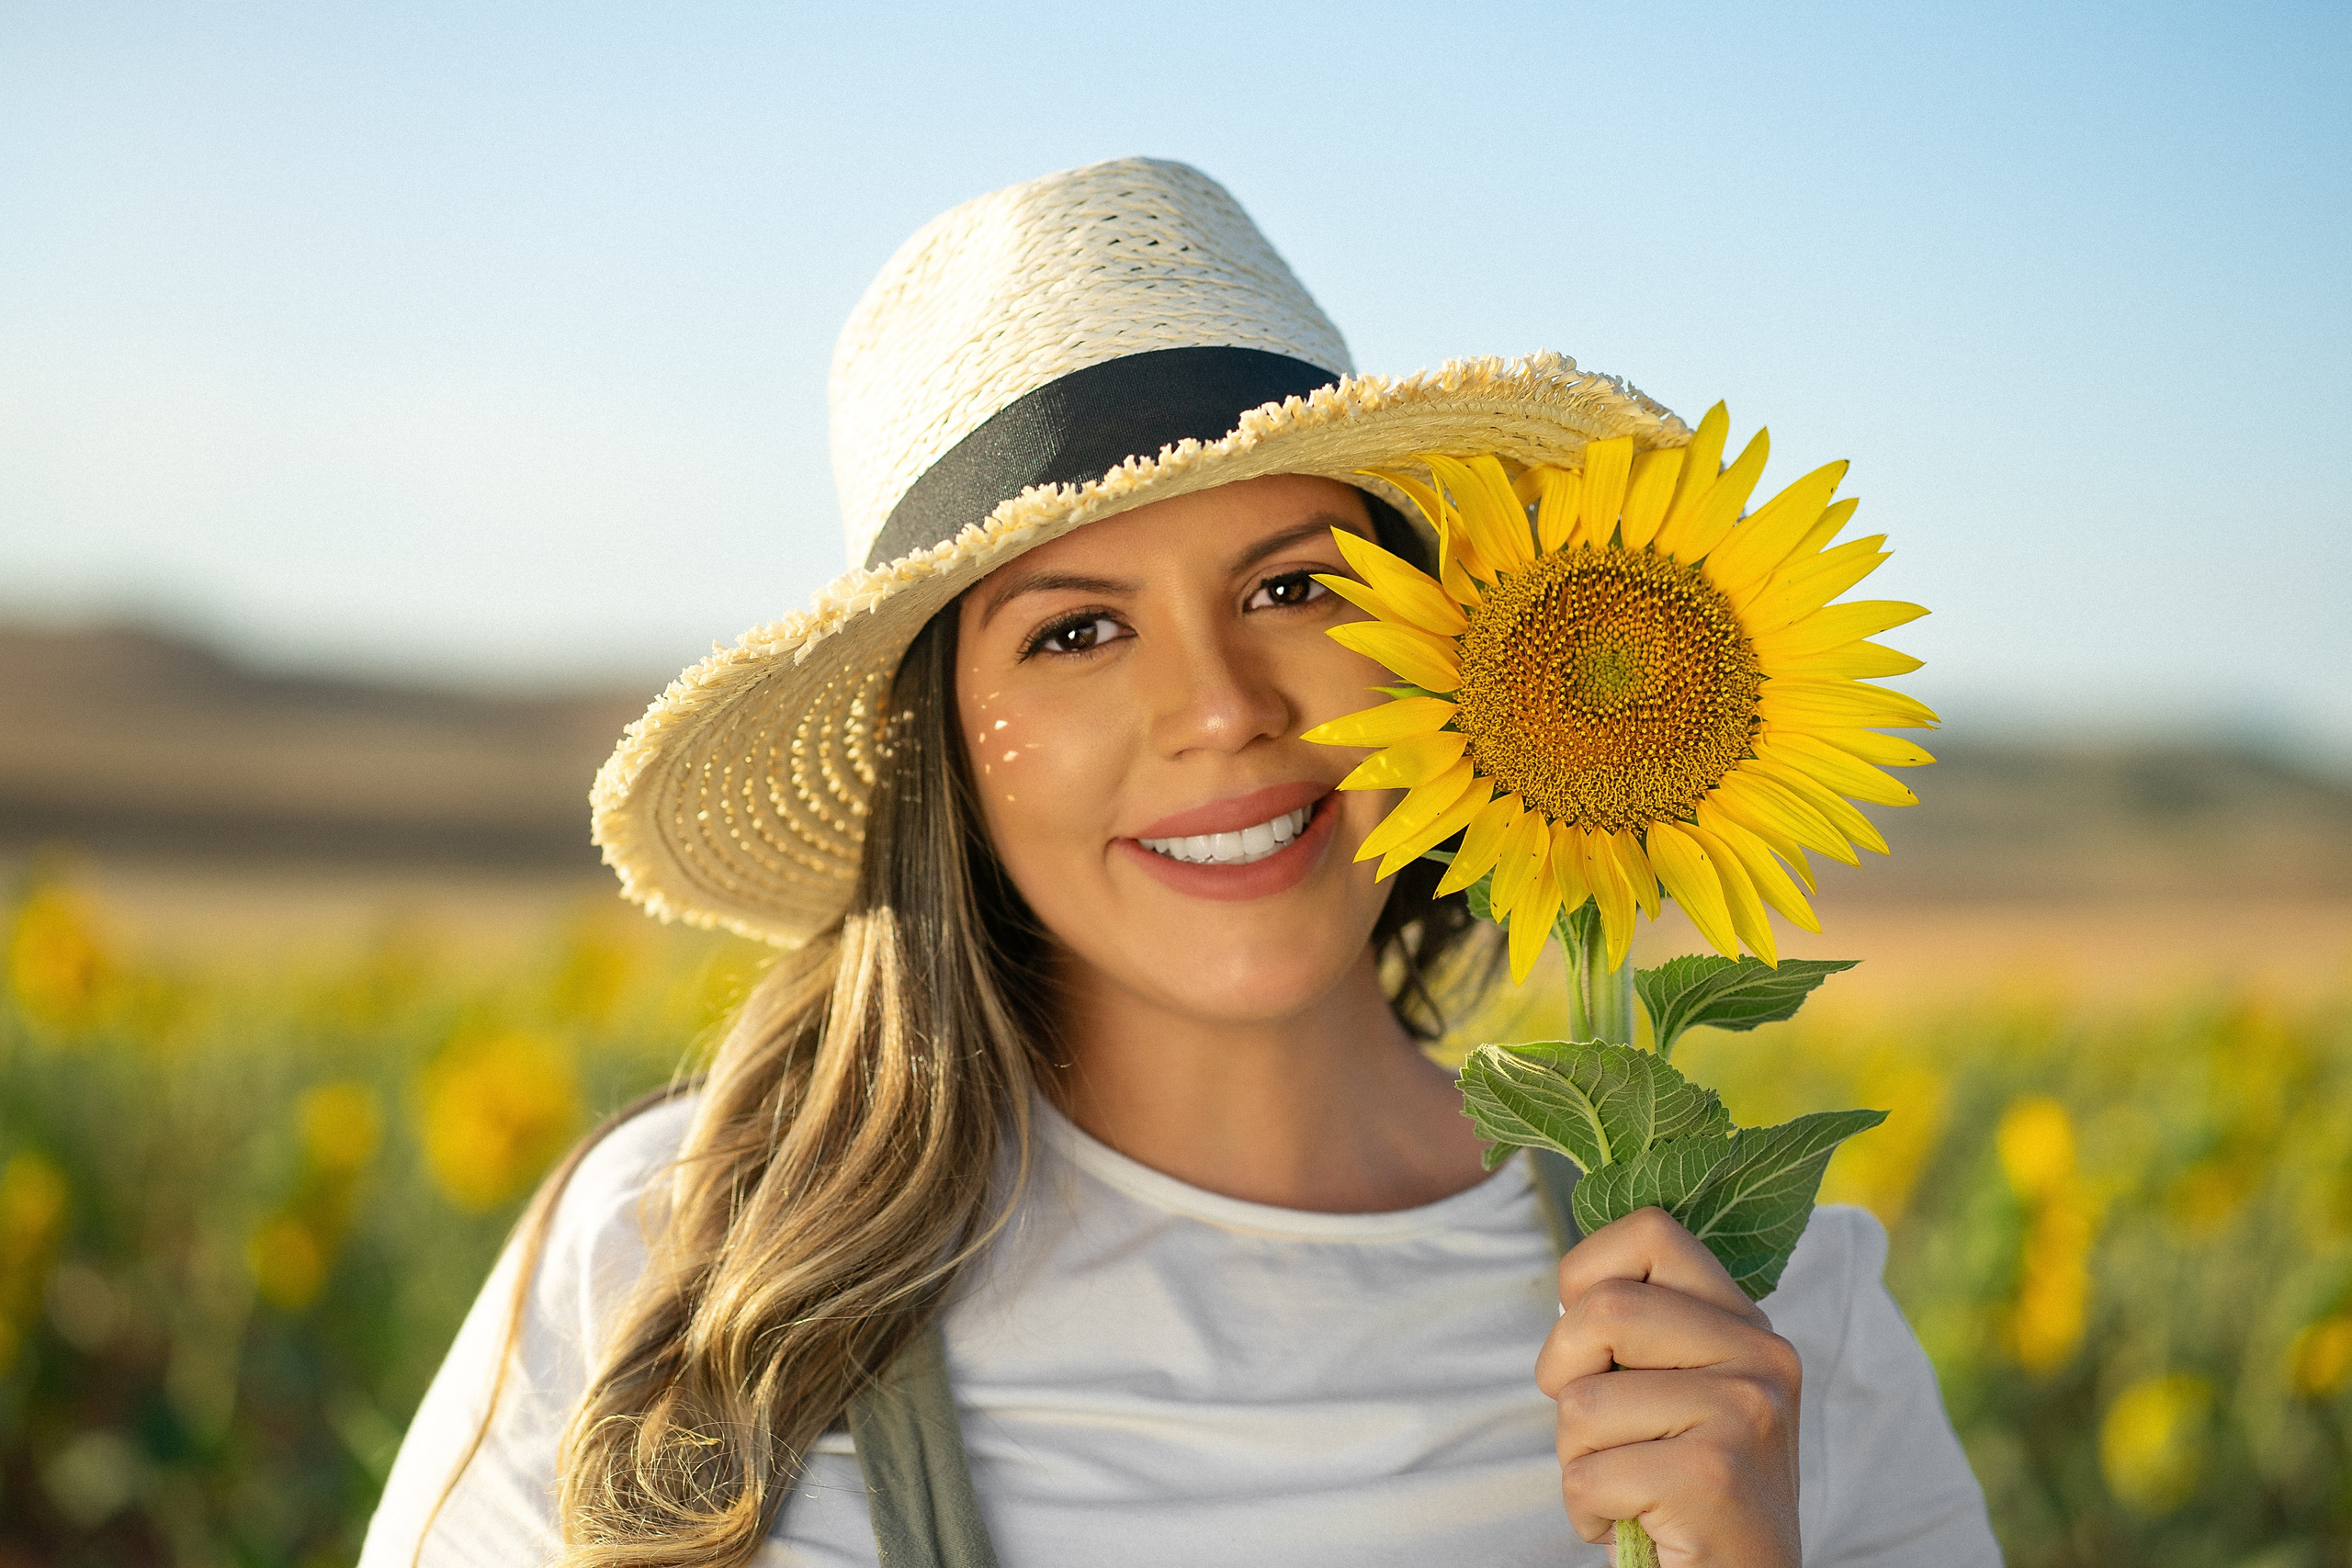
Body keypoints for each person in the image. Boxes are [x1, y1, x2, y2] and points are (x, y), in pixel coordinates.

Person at [361, 157, 2000, 1568]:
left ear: (1452, 645)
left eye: (1293, 588)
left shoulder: (1765, 1318)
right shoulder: (680, 1261)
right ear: (946, 750)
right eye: (1076, 632)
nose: (1219, 708)